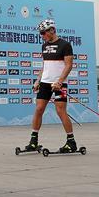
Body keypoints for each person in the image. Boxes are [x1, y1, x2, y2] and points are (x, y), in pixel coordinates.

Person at [24, 19, 79, 153]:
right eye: (40, 33)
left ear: (52, 30)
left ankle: (71, 141)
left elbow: (69, 65)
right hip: (45, 82)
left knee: (60, 111)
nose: (42, 36)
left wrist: (60, 81)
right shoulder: (44, 46)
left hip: (60, 84)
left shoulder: (65, 45)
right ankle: (33, 141)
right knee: (39, 109)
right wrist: (38, 80)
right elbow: (45, 65)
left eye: (43, 33)